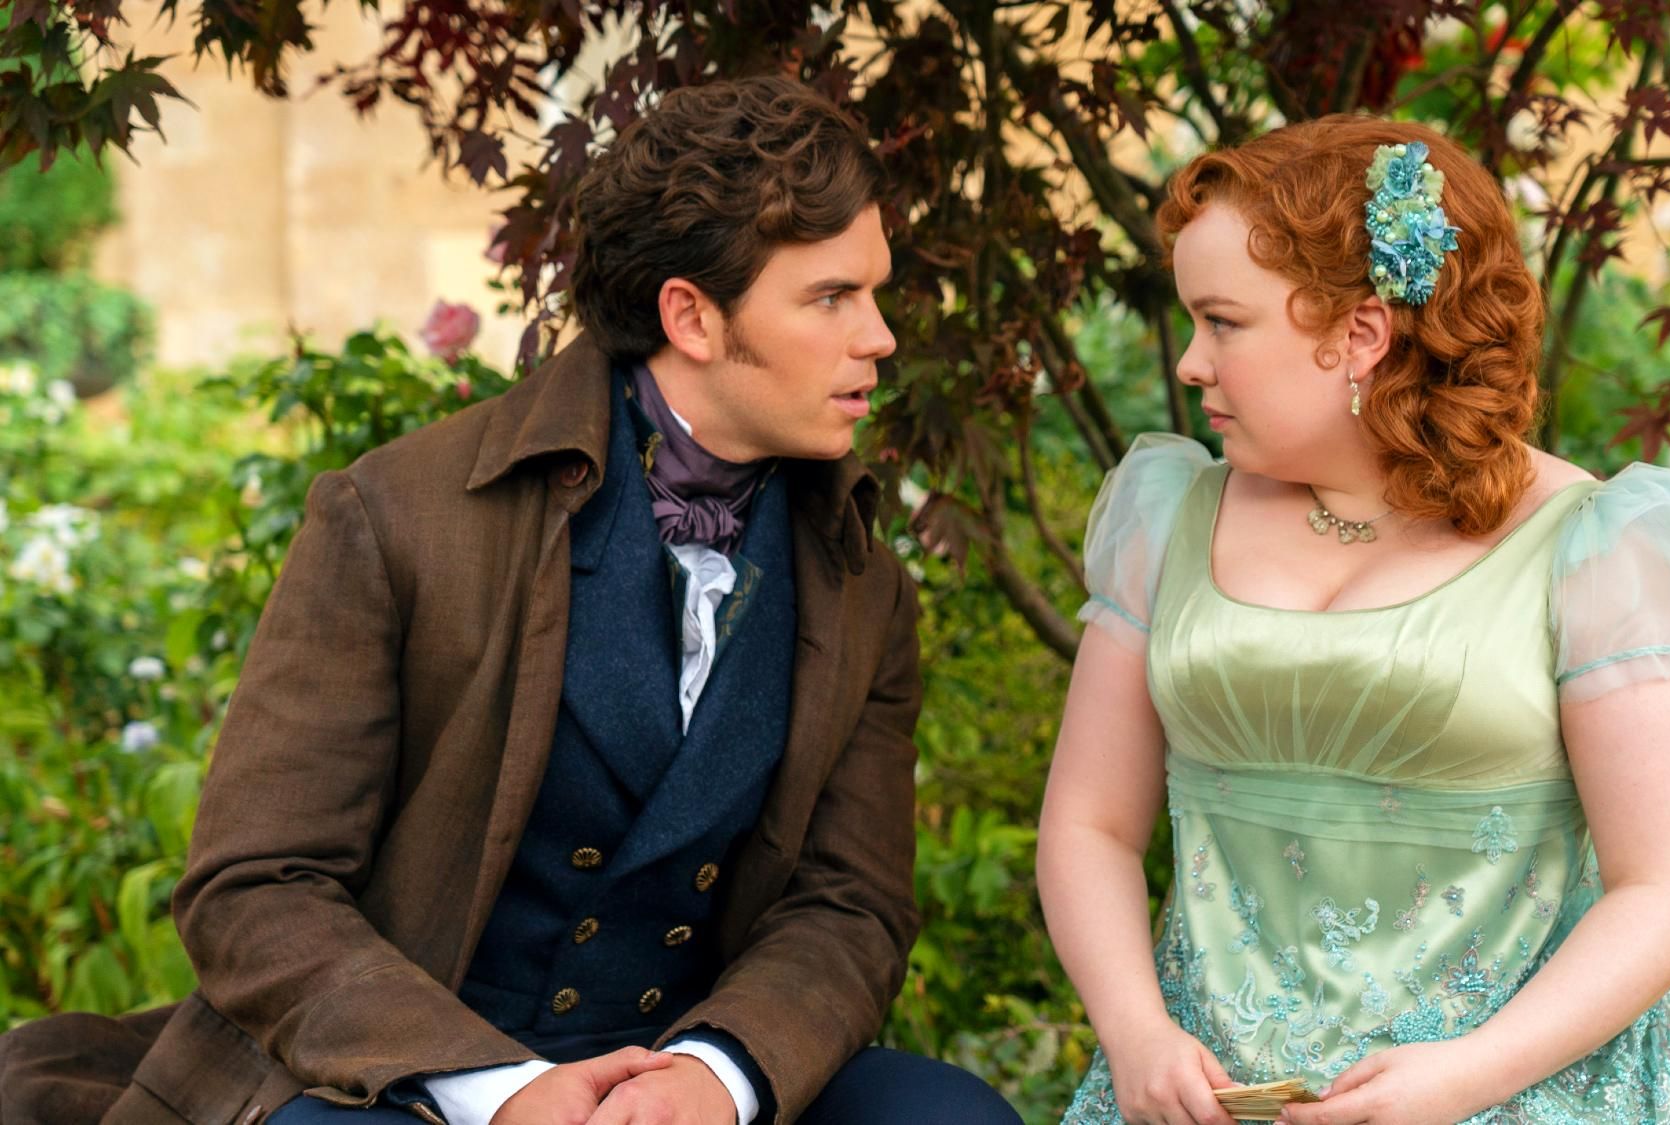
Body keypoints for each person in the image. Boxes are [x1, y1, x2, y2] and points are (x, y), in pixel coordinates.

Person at [0, 74, 1020, 1125]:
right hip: (406, 1078)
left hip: (680, 1067)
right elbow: (255, 885)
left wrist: (716, 1075)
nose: (879, 336)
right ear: (691, 316)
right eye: (832, 297)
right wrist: (496, 1092)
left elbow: (850, 903)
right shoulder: (396, 516)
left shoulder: (860, 581)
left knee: (949, 1119)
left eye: (874, 292)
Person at [1036, 115, 1670, 1125]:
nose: (1191, 363)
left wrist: (1466, 1077)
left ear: (1360, 335)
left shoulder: (1600, 549)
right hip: (1202, 1101)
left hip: (1519, 1091)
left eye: (1222, 322)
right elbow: (1090, 825)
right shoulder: (1166, 517)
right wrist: (1135, 1033)